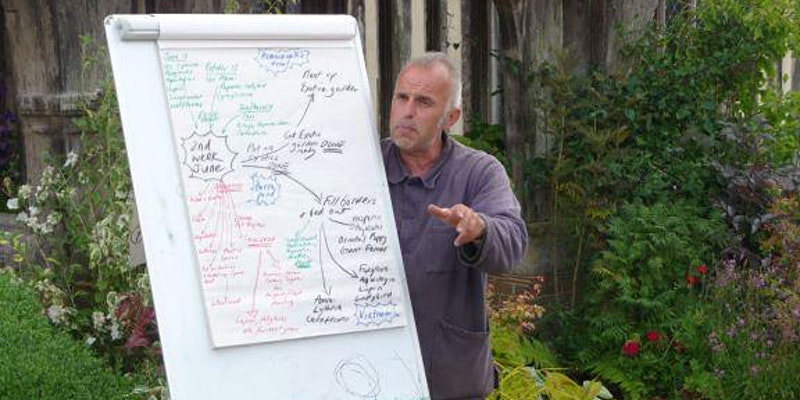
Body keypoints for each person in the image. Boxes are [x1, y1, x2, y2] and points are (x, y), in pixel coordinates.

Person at [381, 51, 528, 399]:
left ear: (451, 117)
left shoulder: (479, 171)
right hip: (371, 365)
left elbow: (513, 241)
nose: (407, 111)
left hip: (450, 372)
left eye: (424, 102)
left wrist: (480, 229)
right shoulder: (365, 164)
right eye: (402, 97)